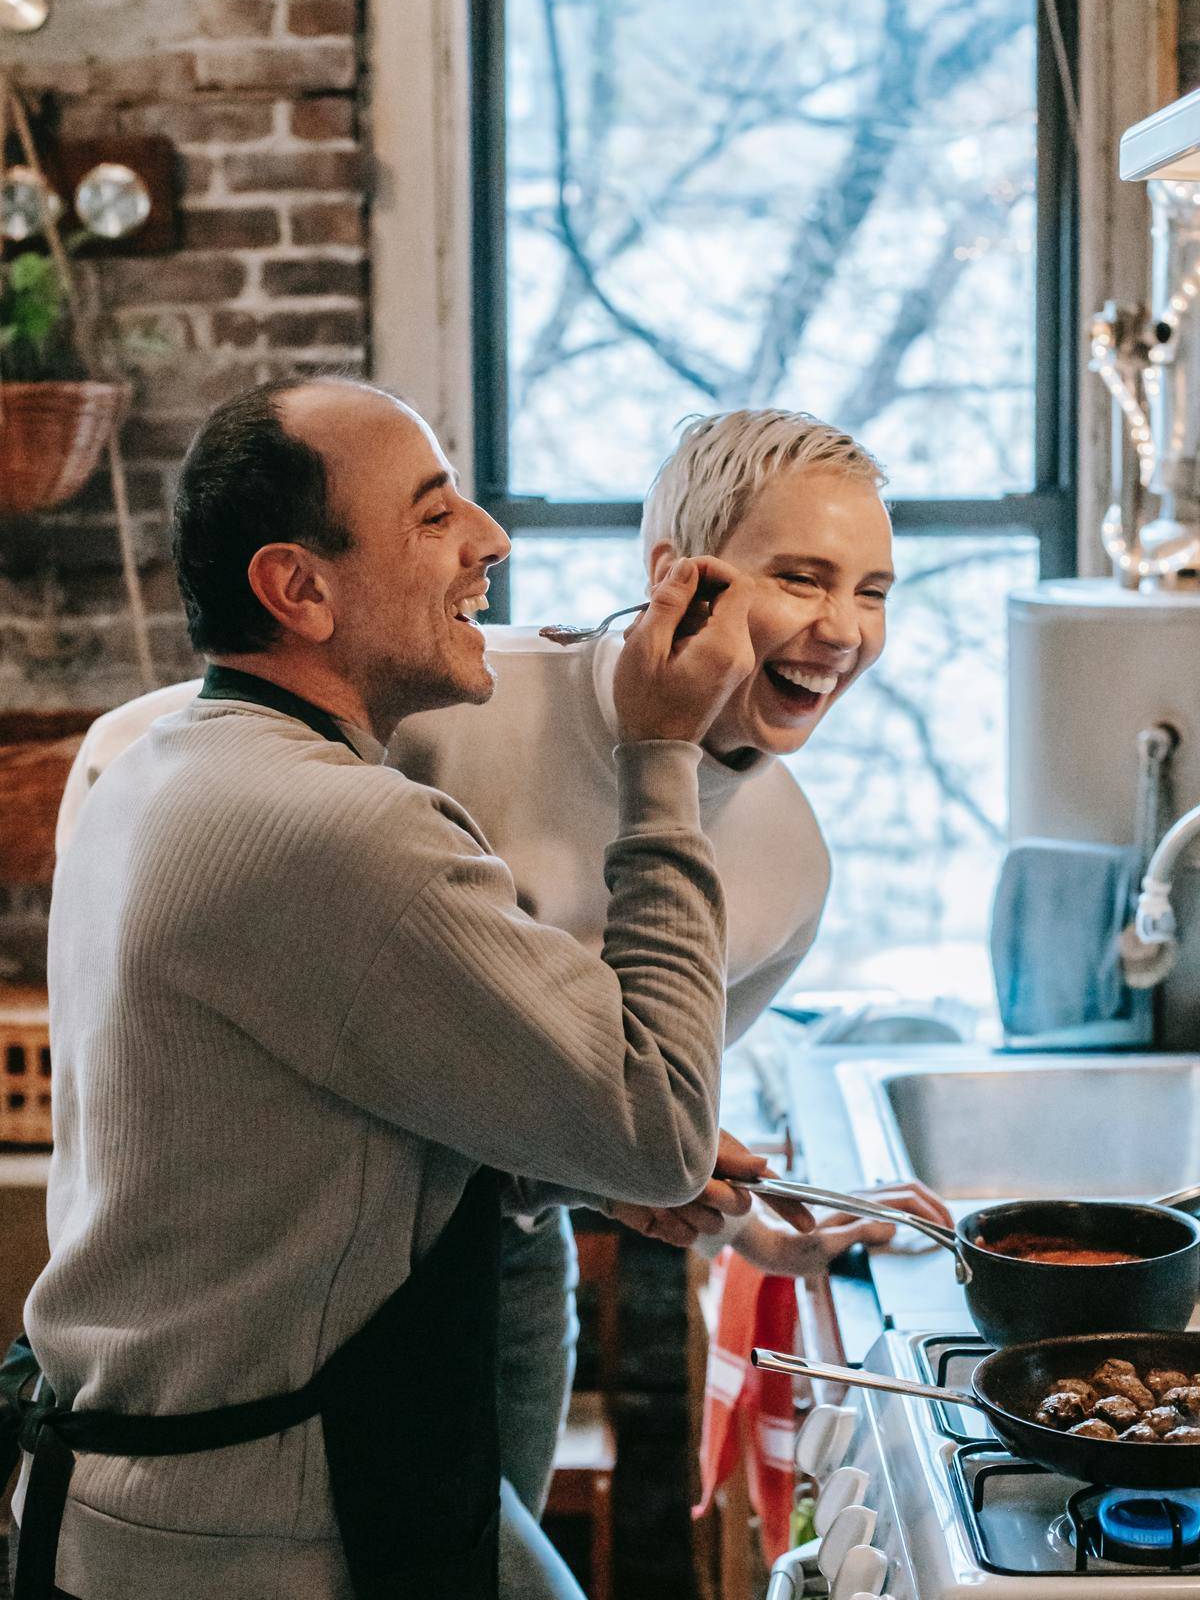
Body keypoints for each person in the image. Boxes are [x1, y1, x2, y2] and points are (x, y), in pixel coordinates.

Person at [54, 407, 952, 1600]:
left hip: (490, 1255)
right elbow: (640, 1115)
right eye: (801, 577)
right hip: (288, 1340)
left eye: (873, 590)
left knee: (470, 1552)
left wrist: (699, 1203)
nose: (841, 627)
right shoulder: (436, 709)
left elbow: (627, 1121)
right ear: (677, 577)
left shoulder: (793, 871)